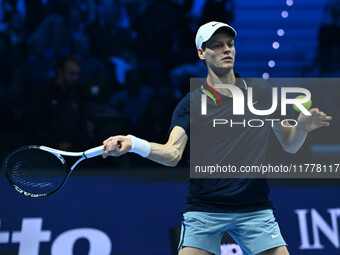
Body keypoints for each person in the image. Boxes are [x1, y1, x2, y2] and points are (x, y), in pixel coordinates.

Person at [101, 22, 332, 255]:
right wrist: (133, 143)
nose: (227, 50)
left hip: (255, 209)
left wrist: (302, 128)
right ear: (201, 53)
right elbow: (172, 154)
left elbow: (289, 144)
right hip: (205, 211)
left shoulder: (260, 92)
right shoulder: (191, 104)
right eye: (217, 45)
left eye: (230, 44)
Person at [27, 55, 84, 151]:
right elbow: (32, 125)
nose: (75, 78)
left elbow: (80, 123)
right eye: (72, 74)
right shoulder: (42, 93)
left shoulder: (77, 94)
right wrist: (55, 144)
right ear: (60, 72)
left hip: (73, 151)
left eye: (77, 74)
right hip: (45, 152)